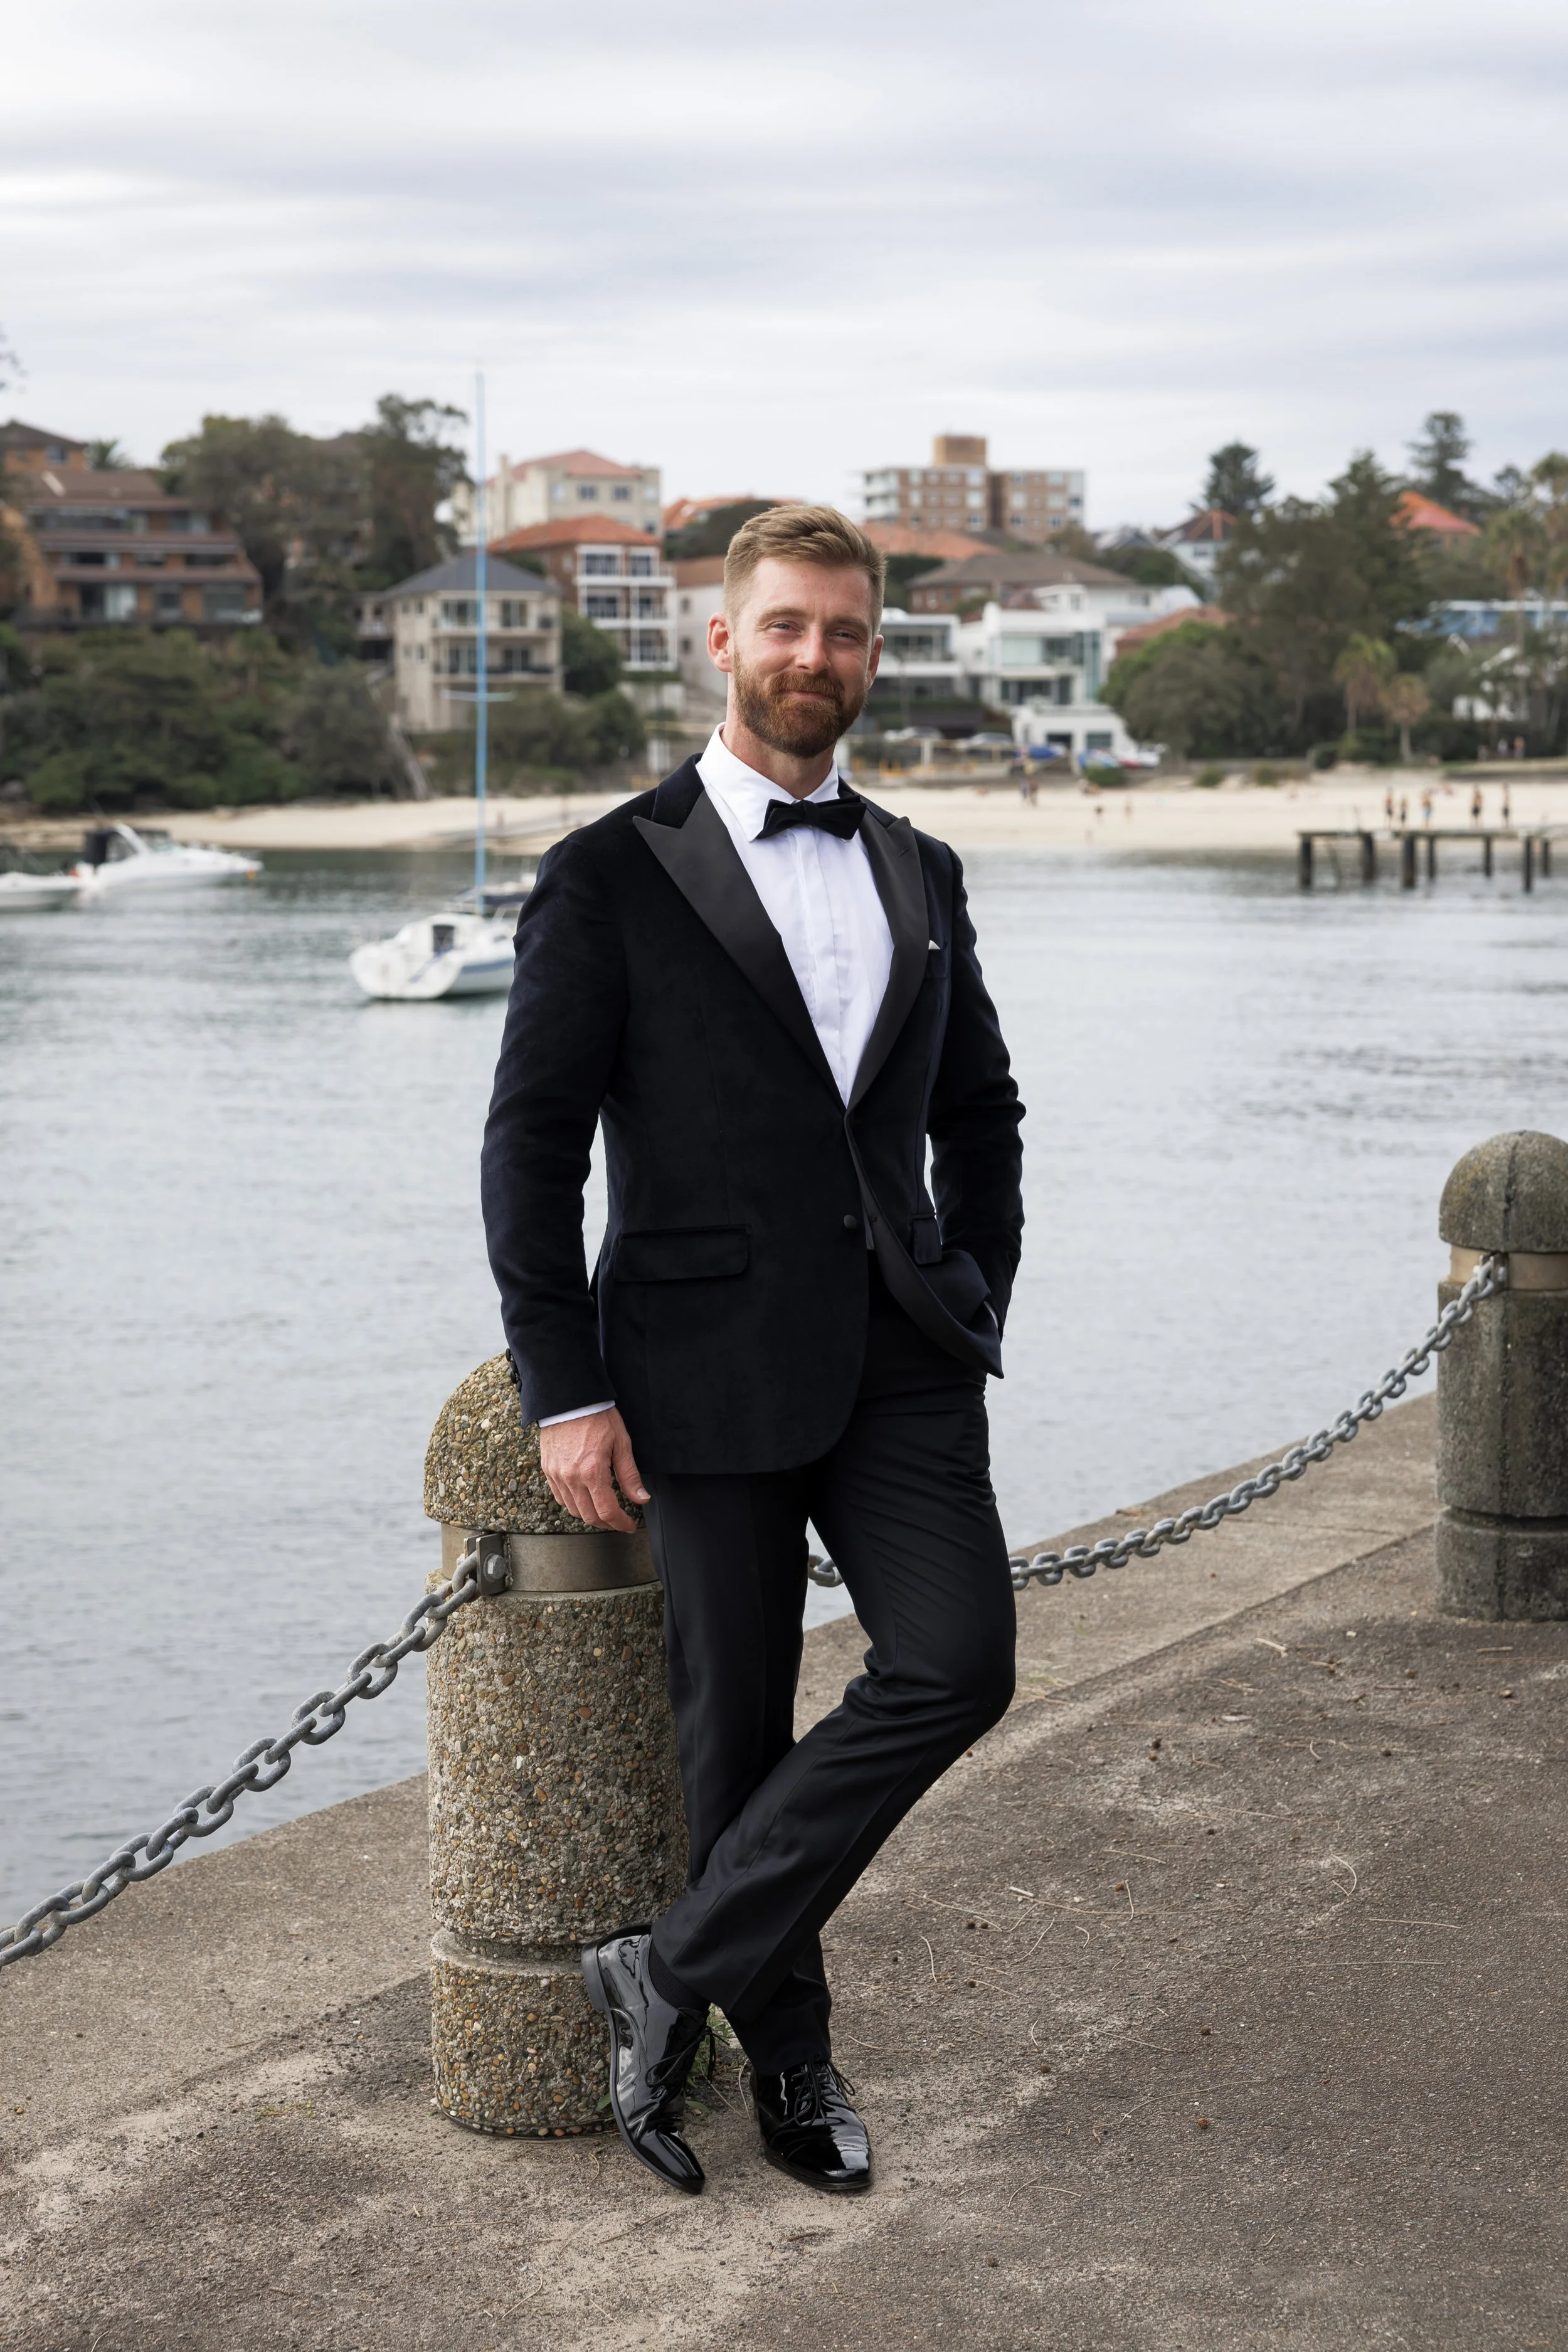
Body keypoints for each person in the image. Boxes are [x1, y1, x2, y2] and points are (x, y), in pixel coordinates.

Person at [481, 506, 1024, 2201]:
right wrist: (561, 1386)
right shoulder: (606, 871)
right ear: (719, 641)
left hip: (904, 1360)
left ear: (874, 651)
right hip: (694, 1369)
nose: (815, 659)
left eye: (845, 633)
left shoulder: (918, 867)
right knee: (734, 1734)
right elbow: (529, 1147)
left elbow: (977, 1110)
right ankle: (786, 2058)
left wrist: (971, 1277)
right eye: (783, 627)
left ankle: (674, 1964)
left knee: (954, 1662)